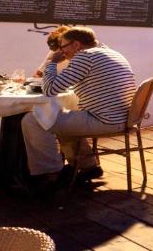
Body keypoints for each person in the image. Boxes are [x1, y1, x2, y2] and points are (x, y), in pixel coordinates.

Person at [22, 27, 136, 186]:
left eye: (63, 46)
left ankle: (50, 174)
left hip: (105, 120)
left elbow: (50, 90)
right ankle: (88, 166)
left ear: (76, 44)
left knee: (33, 119)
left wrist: (52, 63)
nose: (61, 51)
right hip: (123, 117)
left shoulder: (85, 57)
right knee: (57, 116)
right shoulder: (110, 52)